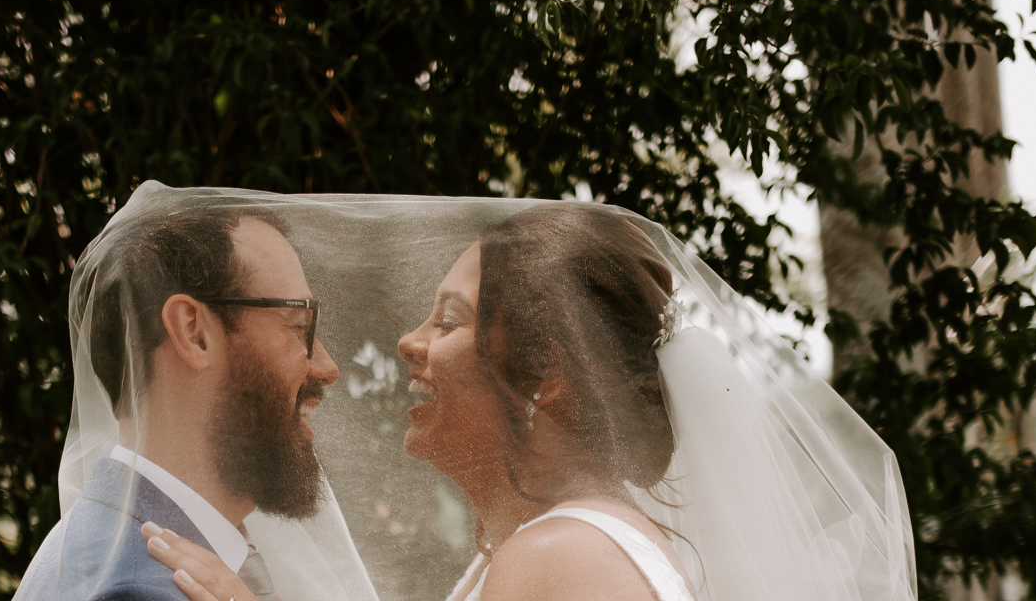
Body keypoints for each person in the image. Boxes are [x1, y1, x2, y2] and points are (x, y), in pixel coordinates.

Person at [139, 200, 916, 601]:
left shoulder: (561, 559)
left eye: (449, 319)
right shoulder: (551, 548)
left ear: (546, 373)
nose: (411, 342)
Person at [12, 197, 347, 601]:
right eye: (299, 324)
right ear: (194, 332)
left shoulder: (103, 544)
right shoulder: (137, 590)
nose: (327, 368)